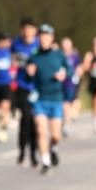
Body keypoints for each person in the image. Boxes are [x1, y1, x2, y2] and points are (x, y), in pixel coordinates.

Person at [27, 25, 68, 175]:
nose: (43, 38)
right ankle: (45, 161)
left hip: (56, 99)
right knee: (41, 131)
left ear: (52, 38)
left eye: (46, 35)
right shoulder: (34, 55)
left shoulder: (59, 55)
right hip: (40, 99)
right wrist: (29, 72)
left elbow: (68, 70)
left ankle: (53, 148)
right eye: (41, 36)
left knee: (56, 135)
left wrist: (63, 74)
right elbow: (26, 77)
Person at [12, 18, 40, 166]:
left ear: (35, 30)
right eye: (24, 28)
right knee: (25, 119)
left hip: (37, 88)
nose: (27, 31)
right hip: (22, 86)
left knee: (35, 121)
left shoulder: (39, 44)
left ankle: (34, 153)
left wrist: (36, 68)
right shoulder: (16, 44)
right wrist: (13, 65)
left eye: (30, 28)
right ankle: (22, 151)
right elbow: (10, 60)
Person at [60, 36, 82, 133]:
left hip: (72, 83)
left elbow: (79, 67)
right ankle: (67, 123)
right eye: (64, 44)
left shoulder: (75, 56)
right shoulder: (60, 56)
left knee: (73, 101)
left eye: (67, 44)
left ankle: (70, 117)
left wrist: (78, 73)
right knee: (65, 103)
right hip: (61, 83)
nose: (66, 46)